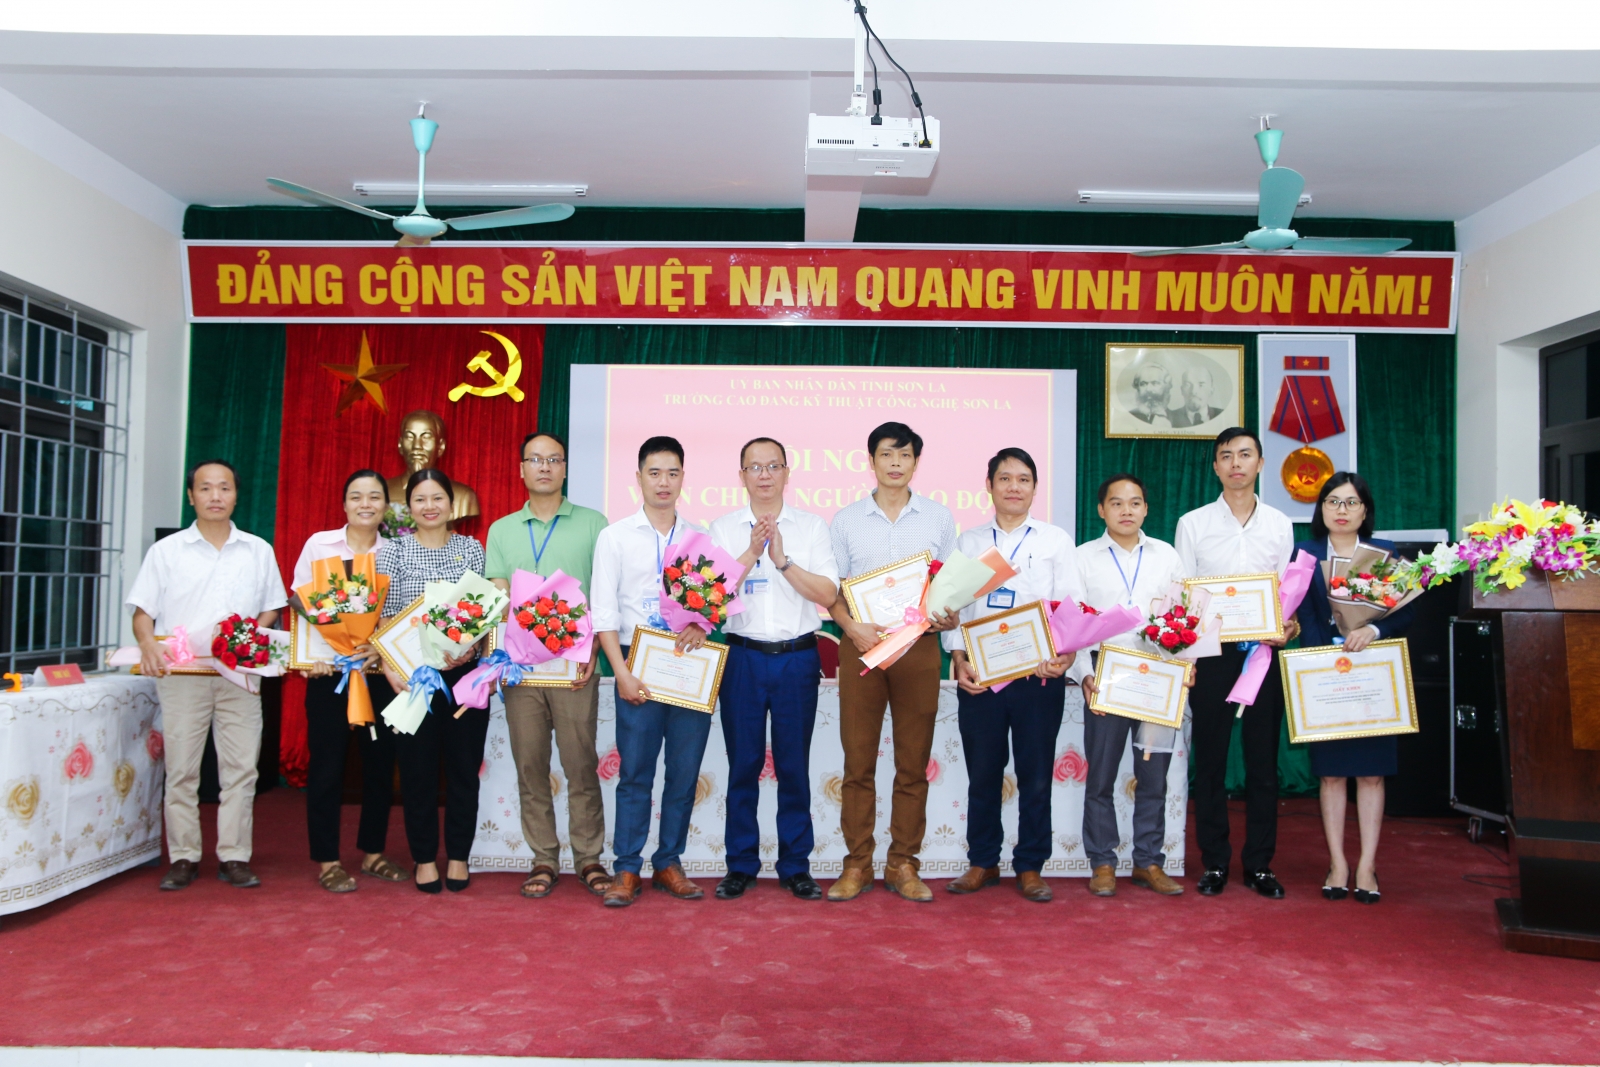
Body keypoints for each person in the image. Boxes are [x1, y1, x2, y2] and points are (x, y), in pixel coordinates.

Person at [127, 459, 286, 891]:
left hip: (240, 675)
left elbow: (272, 608)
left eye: (224, 488)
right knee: (181, 769)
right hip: (183, 676)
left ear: (236, 495)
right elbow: (143, 612)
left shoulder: (257, 549)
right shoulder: (167, 551)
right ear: (190, 495)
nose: (216, 496)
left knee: (241, 769)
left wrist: (249, 635)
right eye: (206, 488)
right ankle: (184, 856)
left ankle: (235, 856)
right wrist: (147, 643)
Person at [827, 421, 959, 903]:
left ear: (916, 462)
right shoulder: (846, 520)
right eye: (887, 454)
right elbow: (832, 591)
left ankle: (904, 862)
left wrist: (949, 614)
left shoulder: (938, 519)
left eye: (905, 455)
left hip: (918, 649)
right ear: (872, 461)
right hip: (861, 646)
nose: (896, 463)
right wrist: (850, 627)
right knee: (858, 761)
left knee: (912, 763)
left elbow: (950, 586)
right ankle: (857, 864)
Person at [944, 448, 1080, 903]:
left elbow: (1070, 606)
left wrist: (1064, 656)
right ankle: (982, 861)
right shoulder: (968, 542)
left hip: (1037, 677)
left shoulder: (1055, 541)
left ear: (1035, 488)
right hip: (982, 677)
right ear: (989, 486)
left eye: (1023, 479)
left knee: (1035, 775)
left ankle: (1030, 866)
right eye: (1005, 478)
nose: (1014, 487)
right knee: (983, 773)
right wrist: (958, 657)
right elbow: (954, 607)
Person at [708, 437, 840, 902]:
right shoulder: (723, 528)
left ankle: (795, 866)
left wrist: (781, 559)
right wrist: (750, 552)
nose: (764, 475)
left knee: (793, 766)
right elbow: (709, 597)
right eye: (754, 467)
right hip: (742, 658)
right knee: (743, 765)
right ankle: (740, 865)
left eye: (772, 466)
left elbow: (827, 593)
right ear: (741, 475)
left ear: (787, 472)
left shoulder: (811, 527)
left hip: (796, 659)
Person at [483, 431, 612, 900]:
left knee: (581, 765)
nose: (544, 467)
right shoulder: (501, 529)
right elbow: (497, 597)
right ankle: (543, 858)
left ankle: (589, 858)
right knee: (531, 766)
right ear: (521, 469)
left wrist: (593, 650)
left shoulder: (595, 524)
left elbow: (604, 594)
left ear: (564, 468)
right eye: (535, 460)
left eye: (553, 459)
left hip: (574, 668)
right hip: (522, 672)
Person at [1175, 428, 1298, 899]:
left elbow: (1286, 593)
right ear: (1215, 467)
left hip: (1262, 653)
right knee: (1210, 762)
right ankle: (1215, 862)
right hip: (1213, 654)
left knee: (1263, 763)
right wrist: (1187, 658)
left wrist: (1287, 626)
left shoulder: (1279, 524)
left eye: (1245, 455)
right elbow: (1184, 596)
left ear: (1260, 463)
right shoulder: (1193, 524)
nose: (1236, 463)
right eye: (1226, 456)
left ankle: (1260, 864)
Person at [591, 436, 713, 907]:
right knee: (636, 772)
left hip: (687, 663)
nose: (664, 482)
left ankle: (668, 862)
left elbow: (714, 604)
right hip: (634, 663)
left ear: (683, 477)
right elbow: (604, 613)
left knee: (683, 771)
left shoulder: (700, 538)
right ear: (639, 477)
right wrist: (620, 672)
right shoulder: (615, 537)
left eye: (673, 473)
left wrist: (703, 624)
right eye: (655, 472)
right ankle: (626, 868)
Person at [1296, 472, 1415, 905]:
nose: (1341, 510)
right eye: (1333, 501)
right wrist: (1322, 653)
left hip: (1372, 675)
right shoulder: (1305, 554)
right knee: (1331, 774)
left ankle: (1366, 865)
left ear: (1365, 510)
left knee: (1370, 774)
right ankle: (1338, 864)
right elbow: (1303, 612)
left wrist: (1375, 630)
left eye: (1351, 502)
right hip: (1326, 674)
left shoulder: (1385, 554)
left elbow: (1405, 611)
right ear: (1321, 509)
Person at [290, 469, 407, 892]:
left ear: (386, 506)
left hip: (379, 676)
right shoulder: (319, 545)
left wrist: (380, 646)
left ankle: (373, 852)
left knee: (380, 766)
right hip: (330, 676)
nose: (365, 504)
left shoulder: (395, 552)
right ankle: (328, 860)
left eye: (374, 496)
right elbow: (299, 600)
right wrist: (314, 655)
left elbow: (401, 612)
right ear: (343, 504)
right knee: (327, 766)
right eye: (356, 496)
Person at [1075, 473, 1187, 898]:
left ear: (1146, 509)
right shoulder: (1083, 558)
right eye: (1117, 503)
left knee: (1153, 775)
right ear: (1101, 510)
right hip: (1106, 674)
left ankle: (1148, 861)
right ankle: (1102, 862)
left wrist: (1185, 666)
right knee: (1101, 776)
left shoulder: (1166, 555)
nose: (1127, 510)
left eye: (1135, 502)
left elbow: (1185, 615)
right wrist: (1084, 674)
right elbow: (1073, 623)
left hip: (1158, 675)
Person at [376, 470, 488, 894]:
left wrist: (471, 649)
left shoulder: (470, 548)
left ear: (450, 504)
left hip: (463, 675)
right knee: (417, 771)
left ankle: (458, 855)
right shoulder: (393, 551)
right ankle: (424, 858)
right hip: (413, 678)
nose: (429, 506)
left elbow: (482, 610)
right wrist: (390, 665)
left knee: (463, 770)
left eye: (437, 498)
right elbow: (384, 617)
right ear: (408, 507)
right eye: (420, 499)